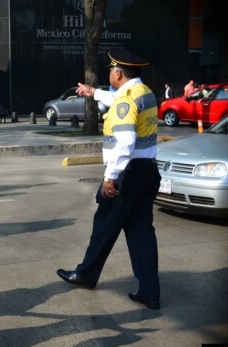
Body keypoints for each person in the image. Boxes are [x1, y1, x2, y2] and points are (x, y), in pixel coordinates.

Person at [56, 48, 162, 310]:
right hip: (147, 170)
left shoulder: (126, 100)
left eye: (110, 70)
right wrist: (93, 92)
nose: (109, 73)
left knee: (104, 224)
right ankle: (150, 292)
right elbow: (115, 97)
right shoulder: (143, 92)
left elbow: (125, 144)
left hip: (128, 173)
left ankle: (86, 274)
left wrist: (109, 178)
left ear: (117, 72)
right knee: (141, 233)